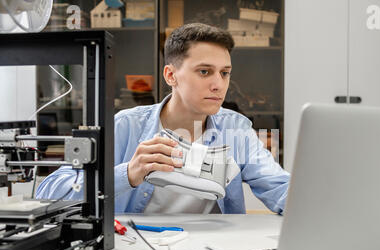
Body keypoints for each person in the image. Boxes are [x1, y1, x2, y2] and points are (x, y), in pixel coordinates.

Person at [36, 23, 290, 214]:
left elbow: (278, 186)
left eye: (225, 73)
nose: (218, 85)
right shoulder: (126, 125)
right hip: (137, 246)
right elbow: (48, 192)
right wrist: (128, 174)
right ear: (171, 76)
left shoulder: (236, 128)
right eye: (204, 71)